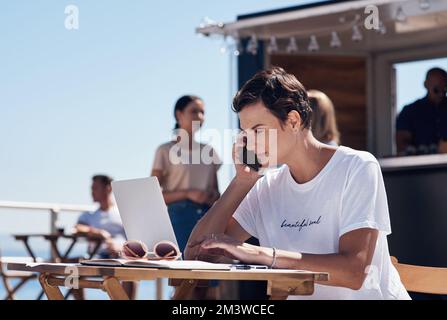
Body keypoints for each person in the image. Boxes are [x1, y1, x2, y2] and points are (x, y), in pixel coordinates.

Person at [186, 67, 410, 300]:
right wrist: (241, 182)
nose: (250, 144)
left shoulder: (357, 167)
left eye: (258, 130)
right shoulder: (265, 187)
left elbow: (354, 272)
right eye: (245, 133)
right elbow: (196, 256)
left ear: (293, 121)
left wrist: (262, 255)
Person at [151, 95, 221, 254]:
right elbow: (153, 196)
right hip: (178, 218)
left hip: (207, 217)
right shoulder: (165, 150)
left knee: (210, 271)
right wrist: (188, 194)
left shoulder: (209, 152)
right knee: (182, 271)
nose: (200, 117)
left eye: (202, 112)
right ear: (179, 114)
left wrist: (210, 196)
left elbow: (217, 192)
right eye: (194, 111)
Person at [75, 175, 136, 298]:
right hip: (96, 256)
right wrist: (100, 233)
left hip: (121, 254)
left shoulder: (122, 212)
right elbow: (77, 228)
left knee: (132, 269)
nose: (91, 192)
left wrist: (120, 247)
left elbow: (134, 235)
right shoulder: (90, 214)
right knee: (72, 269)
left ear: (108, 189)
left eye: (95, 188)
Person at [396, 67, 447, 155]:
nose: (441, 93)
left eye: (445, 88)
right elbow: (402, 143)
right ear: (425, 85)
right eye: (437, 89)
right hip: (419, 165)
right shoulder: (410, 111)